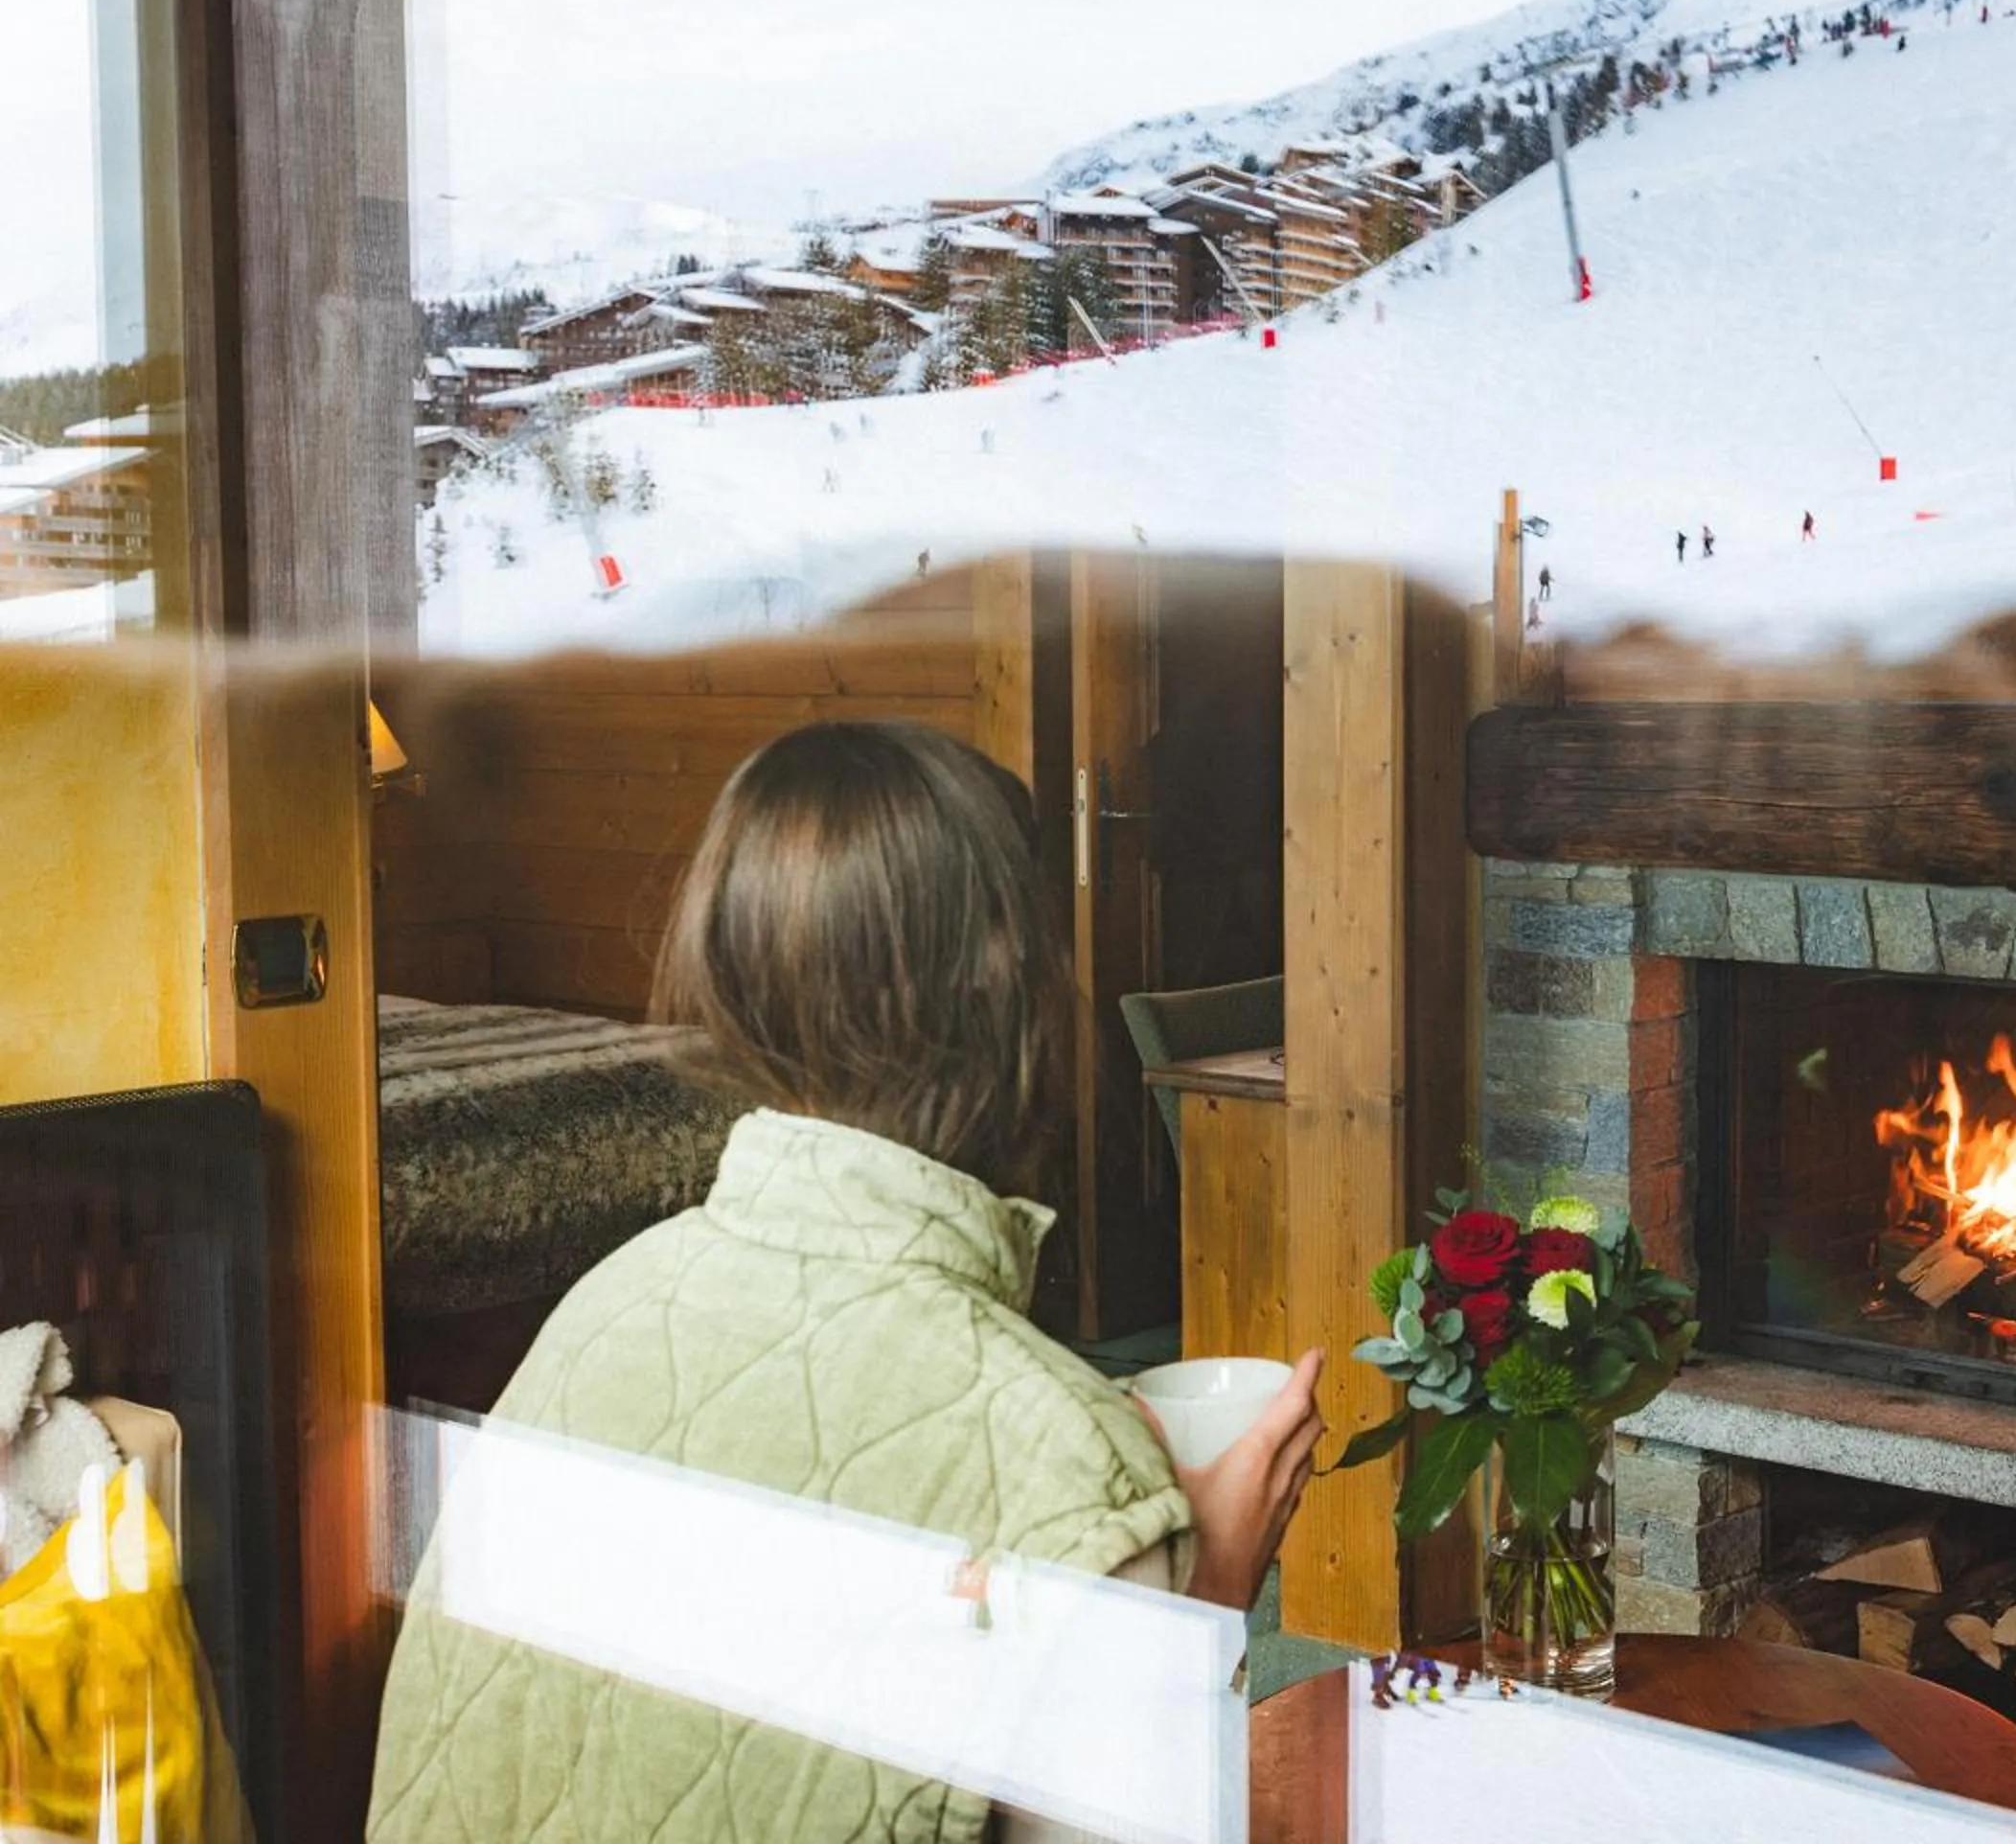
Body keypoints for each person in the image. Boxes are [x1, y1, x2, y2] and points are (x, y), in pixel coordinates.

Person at [369, 722, 1326, 1843]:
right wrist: (1205, 1583)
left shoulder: (601, 1307)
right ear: (1019, 987)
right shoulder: (1063, 1464)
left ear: (732, 974)